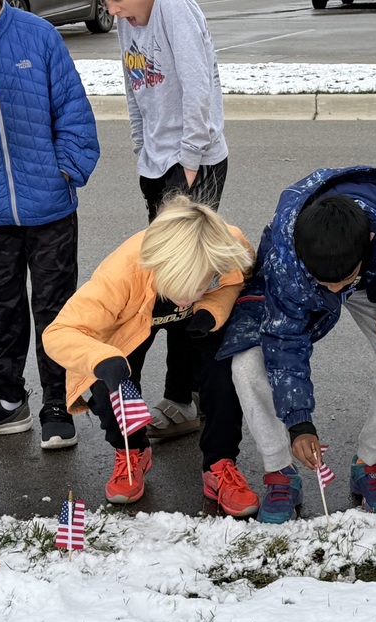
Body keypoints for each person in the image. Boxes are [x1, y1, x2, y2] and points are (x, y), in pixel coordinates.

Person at [218, 166, 376, 524]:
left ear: (371, 241)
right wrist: (300, 424)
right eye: (325, 283)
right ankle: (279, 472)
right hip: (298, 283)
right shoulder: (287, 256)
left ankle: (370, 463)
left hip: (373, 280)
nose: (332, 292)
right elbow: (285, 341)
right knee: (248, 364)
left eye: (340, 282)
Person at [0, 0, 99, 450]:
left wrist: (66, 168)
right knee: (2, 305)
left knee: (54, 307)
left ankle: (57, 402)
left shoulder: (39, 35)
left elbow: (72, 107)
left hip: (50, 207)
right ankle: (8, 402)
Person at [43, 196, 260, 517]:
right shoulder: (122, 274)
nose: (196, 291)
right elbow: (58, 332)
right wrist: (100, 358)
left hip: (201, 319)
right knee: (107, 384)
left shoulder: (228, 246)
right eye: (189, 285)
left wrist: (211, 308)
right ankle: (132, 451)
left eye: (206, 280)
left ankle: (220, 464)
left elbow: (234, 281)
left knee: (224, 371)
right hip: (130, 321)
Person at [105, 0, 230, 441]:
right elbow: (133, 87)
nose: (111, 9)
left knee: (183, 284)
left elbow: (200, 87)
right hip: (156, 165)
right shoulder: (126, 18)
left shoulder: (174, 9)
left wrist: (190, 161)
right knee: (163, 280)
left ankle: (183, 397)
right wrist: (143, 151)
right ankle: (181, 396)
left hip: (191, 163)